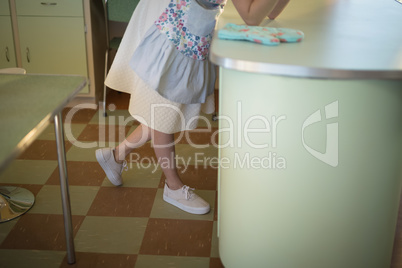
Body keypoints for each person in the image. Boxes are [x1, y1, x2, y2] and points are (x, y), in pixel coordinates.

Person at [96, 0, 290, 215]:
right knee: (163, 112)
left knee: (164, 108)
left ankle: (115, 156)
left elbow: (270, 12)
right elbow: (251, 16)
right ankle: (173, 187)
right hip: (172, 25)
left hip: (188, 23)